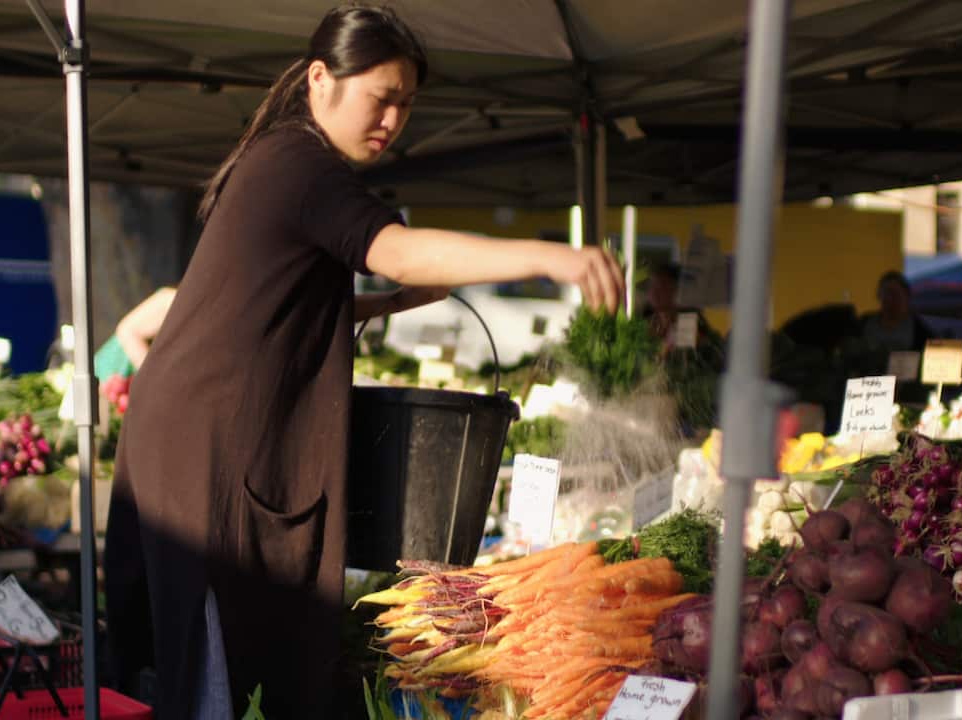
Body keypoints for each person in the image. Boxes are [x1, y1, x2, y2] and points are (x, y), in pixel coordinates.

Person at [102, 6, 623, 719]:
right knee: (219, 669)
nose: (393, 120)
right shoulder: (299, 163)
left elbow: (282, 313)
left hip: (194, 439)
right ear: (321, 79)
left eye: (406, 105)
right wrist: (550, 256)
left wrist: (394, 305)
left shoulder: (289, 162)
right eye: (382, 98)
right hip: (208, 457)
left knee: (224, 662)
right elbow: (397, 251)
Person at [93, 286, 176, 382]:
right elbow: (126, 331)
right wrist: (157, 383)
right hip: (108, 376)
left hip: (122, 383)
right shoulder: (170, 300)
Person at [859, 270, 933, 354]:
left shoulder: (919, 330)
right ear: (879, 295)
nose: (891, 299)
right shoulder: (864, 323)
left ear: (906, 296)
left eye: (896, 294)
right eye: (887, 293)